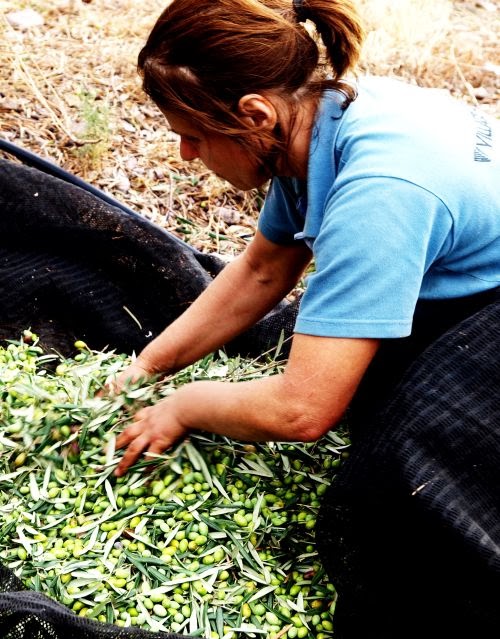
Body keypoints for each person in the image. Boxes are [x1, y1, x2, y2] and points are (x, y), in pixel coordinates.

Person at [109, 0, 500, 636]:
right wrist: (147, 367)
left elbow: (302, 411)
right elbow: (264, 269)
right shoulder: (318, 119)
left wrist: (183, 405)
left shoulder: (378, 193)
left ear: (253, 115)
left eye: (193, 136)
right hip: (469, 271)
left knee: (403, 490)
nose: (184, 155)